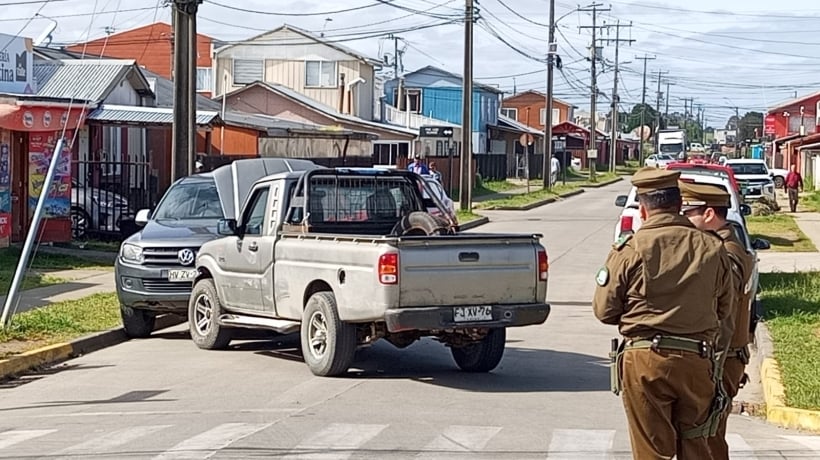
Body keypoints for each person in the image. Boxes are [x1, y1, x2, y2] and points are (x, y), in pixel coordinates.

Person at [592, 167, 736, 460]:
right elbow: (725, 308)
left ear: (644, 209)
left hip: (646, 362)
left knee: (652, 451)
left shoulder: (630, 249)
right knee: (697, 445)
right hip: (698, 360)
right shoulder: (713, 247)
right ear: (679, 204)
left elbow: (605, 310)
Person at [678, 181, 755, 460]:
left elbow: (723, 314)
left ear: (709, 214)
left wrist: (712, 363)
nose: (683, 218)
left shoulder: (728, 252)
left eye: (689, 212)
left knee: (707, 439)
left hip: (721, 359)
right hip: (717, 357)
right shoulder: (719, 247)